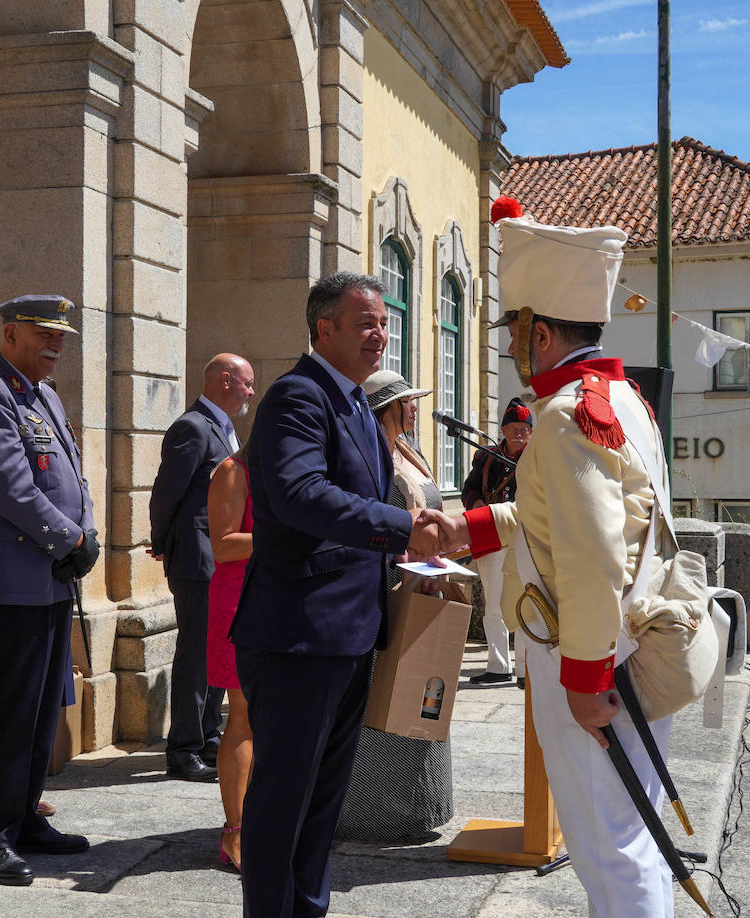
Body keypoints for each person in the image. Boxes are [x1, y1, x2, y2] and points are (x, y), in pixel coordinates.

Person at [422, 207, 700, 917]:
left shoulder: (566, 415)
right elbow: (561, 521)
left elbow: (591, 554)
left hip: (594, 651)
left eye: (514, 331)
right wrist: (467, 527)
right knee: (629, 839)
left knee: (609, 847)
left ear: (540, 334)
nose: (511, 347)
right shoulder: (619, 401)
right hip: (622, 638)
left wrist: (584, 678)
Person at [229, 272, 441, 917]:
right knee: (283, 799)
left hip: (350, 631)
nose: (380, 336)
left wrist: (410, 554)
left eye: (384, 324)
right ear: (324, 329)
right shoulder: (299, 396)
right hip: (299, 633)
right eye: (366, 323)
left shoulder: (355, 403)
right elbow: (301, 496)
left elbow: (357, 512)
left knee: (323, 801)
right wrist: (402, 527)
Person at [0, 295, 99, 886]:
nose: (56, 345)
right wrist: (71, 538)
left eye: (61, 336)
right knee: (10, 714)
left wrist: (88, 532)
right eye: (44, 334)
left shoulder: (45, 396)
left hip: (52, 581)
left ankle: (25, 819)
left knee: (43, 713)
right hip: (12, 582)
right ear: (10, 335)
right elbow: (11, 488)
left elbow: (74, 478)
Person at [336, 369, 454, 841]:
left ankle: (418, 806)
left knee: (424, 688)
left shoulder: (410, 451)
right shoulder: (363, 457)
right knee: (382, 689)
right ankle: (370, 811)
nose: (414, 408)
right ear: (386, 408)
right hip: (384, 583)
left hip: (422, 578)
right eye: (407, 402)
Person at [149, 353, 256, 781]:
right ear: (225, 380)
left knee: (217, 654)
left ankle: (210, 736)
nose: (251, 392)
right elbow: (166, 494)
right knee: (196, 656)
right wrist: (163, 543)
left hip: (220, 564)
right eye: (247, 383)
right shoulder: (192, 427)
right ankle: (183, 750)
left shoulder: (224, 428)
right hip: (197, 560)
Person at [206, 446, 254, 869]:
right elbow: (223, 545)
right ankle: (235, 832)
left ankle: (258, 823)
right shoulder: (233, 470)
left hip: (278, 604)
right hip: (240, 603)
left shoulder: (287, 473)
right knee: (243, 716)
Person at [462, 397, 533, 686]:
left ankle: (526, 670)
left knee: (527, 604)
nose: (519, 434)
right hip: (492, 534)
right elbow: (469, 489)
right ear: (503, 430)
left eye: (524, 429)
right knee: (494, 604)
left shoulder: (537, 459)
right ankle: (498, 665)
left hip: (525, 538)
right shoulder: (485, 457)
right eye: (514, 428)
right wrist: (478, 504)